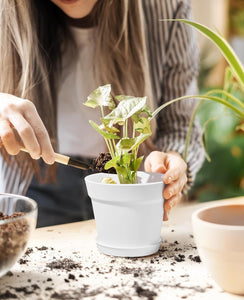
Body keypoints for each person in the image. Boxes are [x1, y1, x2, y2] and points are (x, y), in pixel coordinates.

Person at [0, 0, 204, 227]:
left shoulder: (167, 8)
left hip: (130, 184)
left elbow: (180, 125)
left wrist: (172, 160)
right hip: (36, 179)